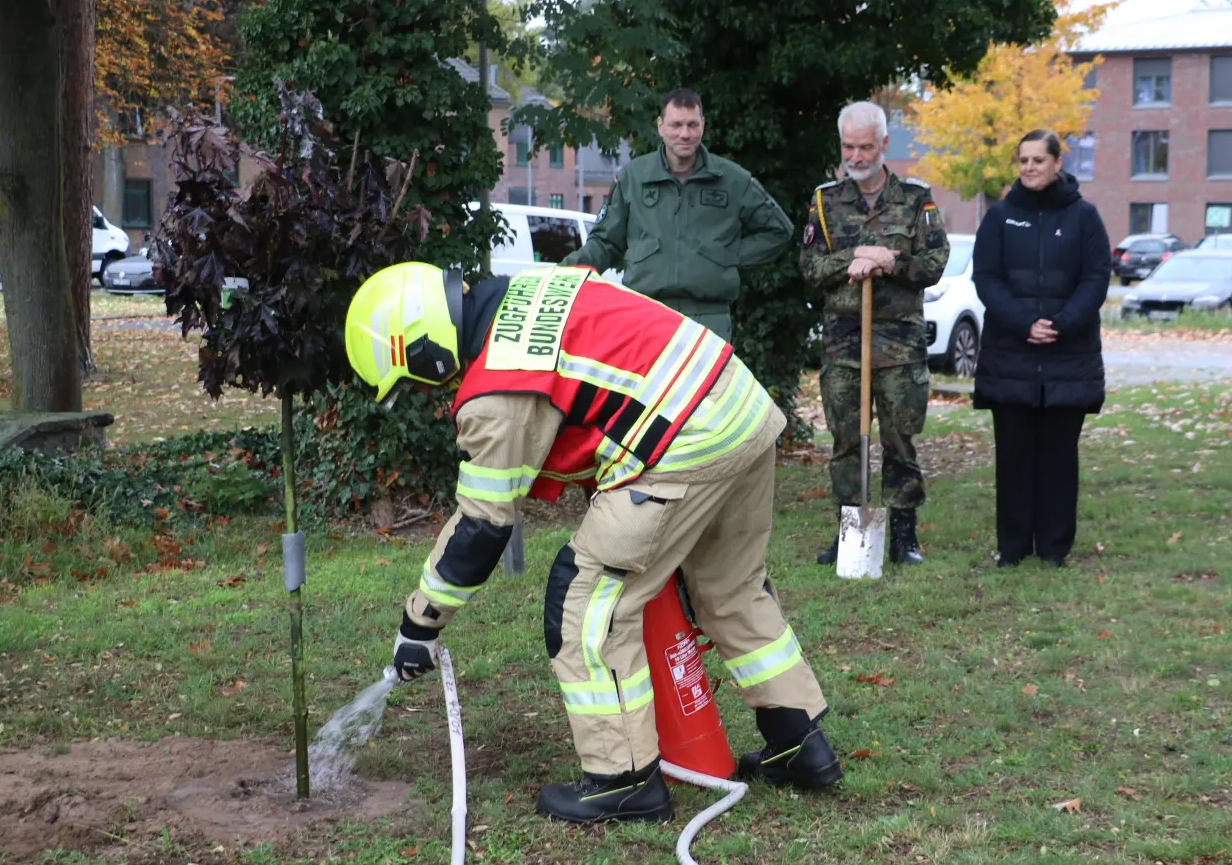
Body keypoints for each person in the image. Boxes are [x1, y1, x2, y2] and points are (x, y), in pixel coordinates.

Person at [343, 262, 843, 825]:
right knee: (732, 588)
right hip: (740, 408)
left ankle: (622, 779)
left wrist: (420, 622)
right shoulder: (535, 286)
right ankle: (801, 745)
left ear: (421, 349)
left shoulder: (498, 386)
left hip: (684, 439)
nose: (426, 391)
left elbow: (482, 526)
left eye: (414, 380)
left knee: (586, 603)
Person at [799, 101, 948, 567]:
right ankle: (850, 531)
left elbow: (935, 263)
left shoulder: (915, 198)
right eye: (849, 146)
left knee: (900, 439)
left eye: (866, 146)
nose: (857, 155)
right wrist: (854, 256)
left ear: (884, 145)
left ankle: (904, 533)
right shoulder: (825, 201)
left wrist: (889, 261)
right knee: (846, 439)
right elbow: (809, 266)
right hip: (845, 342)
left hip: (899, 344)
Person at [971, 130, 1110, 568]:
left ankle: (1053, 548)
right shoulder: (998, 218)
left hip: (1069, 358)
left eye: (1038, 159)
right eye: (1023, 160)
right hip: (1009, 357)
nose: (1030, 167)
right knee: (1013, 456)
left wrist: (1061, 324)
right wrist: (1023, 323)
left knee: (1058, 458)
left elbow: (1096, 279)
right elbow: (986, 278)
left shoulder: (1085, 218)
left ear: (1057, 163)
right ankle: (1011, 547)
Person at [559, 88, 794, 341]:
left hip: (708, 320)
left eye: (692, 125)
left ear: (702, 126)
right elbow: (605, 242)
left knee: (705, 383)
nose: (685, 134)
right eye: (676, 125)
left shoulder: (732, 179)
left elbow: (779, 230)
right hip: (646, 316)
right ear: (660, 126)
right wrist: (564, 273)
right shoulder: (633, 177)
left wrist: (728, 256)